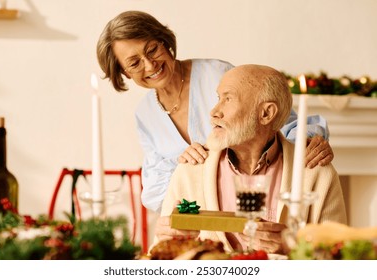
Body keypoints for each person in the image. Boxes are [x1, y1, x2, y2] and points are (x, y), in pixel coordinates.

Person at [96, 10, 334, 213]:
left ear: (164, 41)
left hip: (255, 203)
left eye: (152, 50)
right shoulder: (145, 114)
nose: (150, 65)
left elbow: (279, 119)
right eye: (134, 63)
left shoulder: (218, 74)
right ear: (125, 73)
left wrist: (309, 142)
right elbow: (156, 191)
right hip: (202, 217)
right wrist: (184, 173)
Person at [153, 64, 347, 254]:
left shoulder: (318, 174)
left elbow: (341, 260)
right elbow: (161, 257)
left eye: (228, 99)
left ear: (266, 113)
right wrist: (165, 240)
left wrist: (291, 247)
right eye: (218, 98)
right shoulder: (190, 170)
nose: (214, 112)